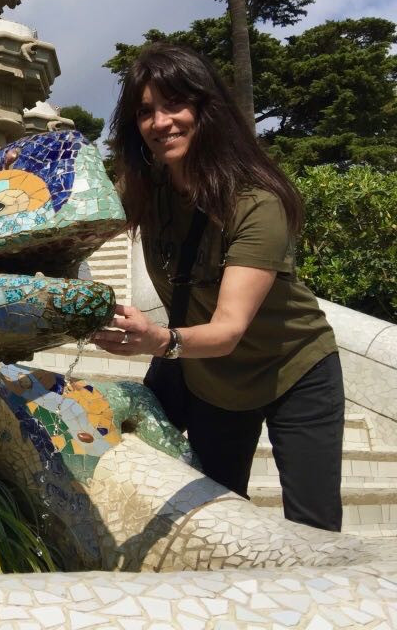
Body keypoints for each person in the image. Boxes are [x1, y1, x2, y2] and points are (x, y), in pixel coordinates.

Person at [93, 42, 343, 532]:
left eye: (174, 104)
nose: (161, 122)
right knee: (220, 519)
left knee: (314, 528)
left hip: (292, 370)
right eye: (146, 111)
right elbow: (76, 228)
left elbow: (228, 328)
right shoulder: (145, 191)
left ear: (206, 109)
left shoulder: (256, 202)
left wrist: (162, 340)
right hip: (211, 378)